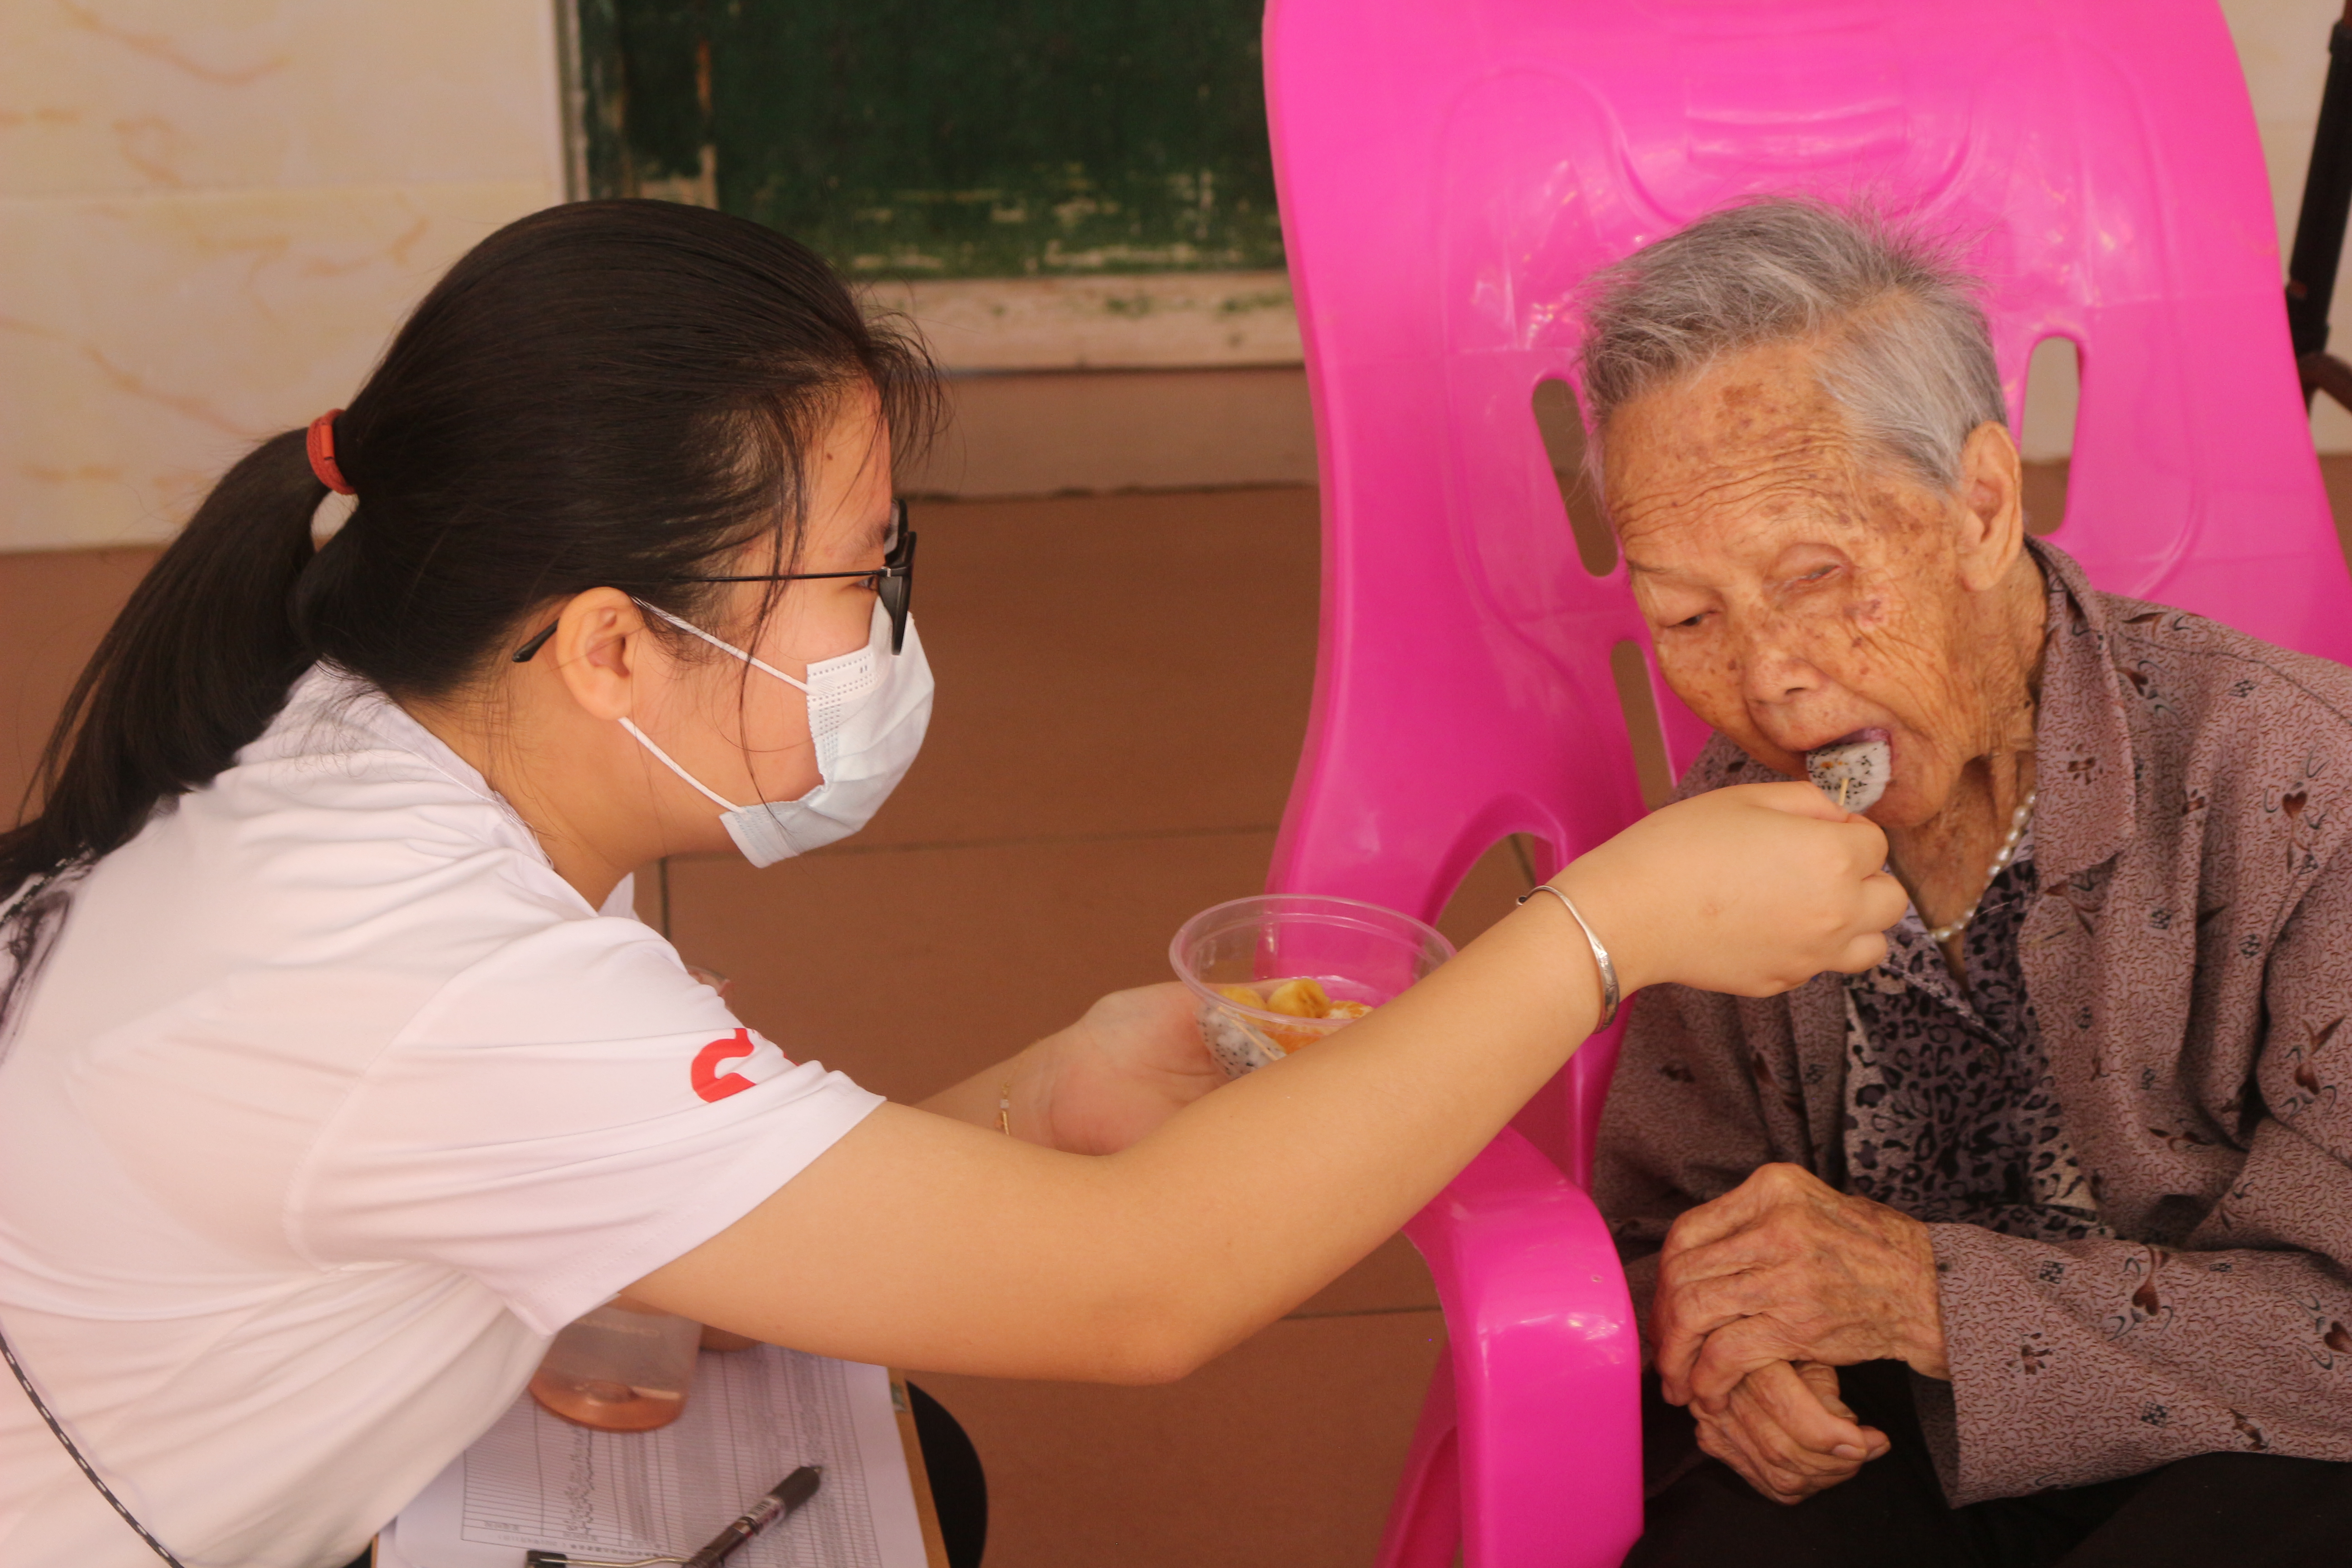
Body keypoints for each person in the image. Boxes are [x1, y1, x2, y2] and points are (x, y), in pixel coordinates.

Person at [0, 199, 1902, 1568]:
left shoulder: (353, 731)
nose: (886, 635)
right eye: (850, 579)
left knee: (912, 1457)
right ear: (606, 648)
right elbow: (1144, 1290)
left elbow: (706, 1195)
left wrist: (1055, 1092)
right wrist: (1608, 925)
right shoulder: (442, 986)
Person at [1586, 196, 2352, 1566]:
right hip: (1890, 1441)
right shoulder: (1727, 828)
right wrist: (1731, 1339)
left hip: (2254, 1436)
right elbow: (1663, 1217)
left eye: (1818, 575)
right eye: (1689, 618)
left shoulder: (2300, 794)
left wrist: (1934, 1297)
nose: (1766, 679)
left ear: (1981, 508)